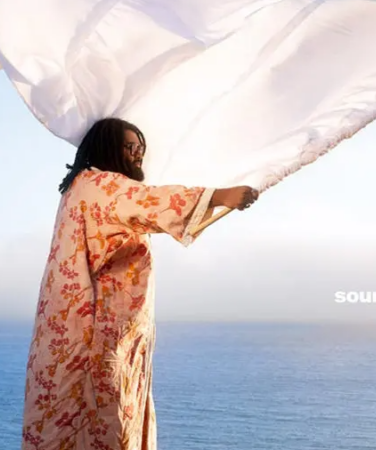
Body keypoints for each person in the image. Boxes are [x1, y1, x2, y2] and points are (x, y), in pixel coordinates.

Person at [21, 117, 258, 450]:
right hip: (96, 332)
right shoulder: (100, 186)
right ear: (107, 148)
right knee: (102, 417)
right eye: (129, 146)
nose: (138, 154)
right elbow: (150, 202)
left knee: (69, 416)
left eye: (140, 147)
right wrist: (219, 196)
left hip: (76, 329)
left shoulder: (80, 187)